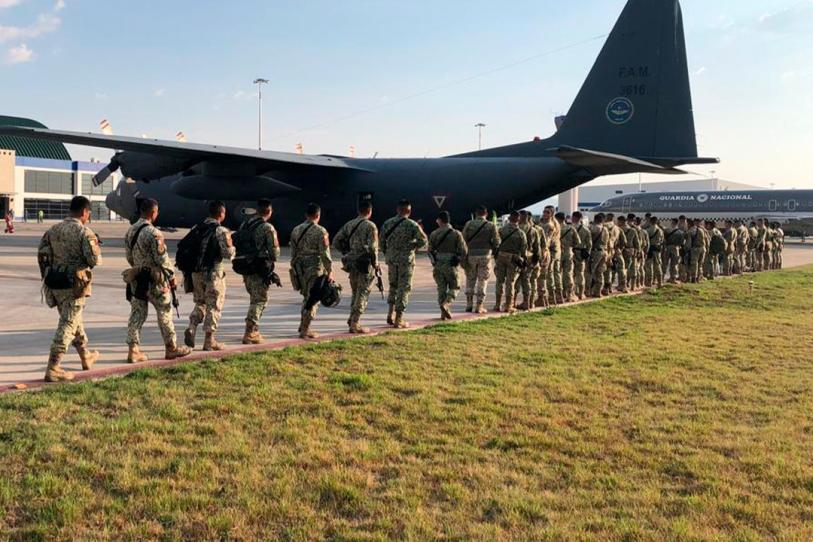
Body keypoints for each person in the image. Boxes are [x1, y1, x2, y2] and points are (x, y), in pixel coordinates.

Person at [37, 196, 102, 382]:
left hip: (56, 283)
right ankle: (54, 367)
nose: (88, 217)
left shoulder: (52, 230)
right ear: (84, 212)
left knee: (74, 320)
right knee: (68, 324)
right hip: (75, 285)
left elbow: (42, 255)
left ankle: (85, 355)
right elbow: (94, 260)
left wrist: (49, 275)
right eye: (88, 214)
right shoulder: (84, 232)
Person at [124, 199, 192, 363]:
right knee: (164, 312)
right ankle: (171, 348)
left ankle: (133, 350)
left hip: (137, 278)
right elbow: (162, 259)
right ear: (152, 212)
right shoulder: (154, 233)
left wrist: (139, 267)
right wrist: (171, 276)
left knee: (137, 314)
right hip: (156, 280)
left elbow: (129, 256)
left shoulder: (130, 231)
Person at [184, 200, 235, 351]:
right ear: (221, 214)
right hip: (214, 274)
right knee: (214, 306)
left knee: (200, 303)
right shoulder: (221, 231)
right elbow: (228, 254)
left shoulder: (196, 228)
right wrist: (233, 247)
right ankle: (209, 340)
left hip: (196, 273)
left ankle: (192, 327)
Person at [237, 199, 281, 344]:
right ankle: (250, 332)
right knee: (260, 300)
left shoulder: (245, 224)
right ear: (269, 211)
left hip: (245, 267)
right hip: (259, 268)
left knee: (254, 298)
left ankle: (253, 330)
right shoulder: (267, 227)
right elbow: (275, 253)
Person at [333, 200, 379, 333]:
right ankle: (355, 323)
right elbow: (372, 247)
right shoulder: (371, 226)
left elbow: (336, 241)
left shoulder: (349, 224)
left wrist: (347, 252)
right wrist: (375, 264)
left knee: (355, 291)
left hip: (351, 263)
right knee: (363, 292)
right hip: (365, 264)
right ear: (370, 212)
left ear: (358, 211)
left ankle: (351, 318)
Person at [381, 199, 428, 328]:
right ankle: (399, 318)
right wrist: (413, 246)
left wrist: (388, 253)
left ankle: (390, 313)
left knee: (393, 286)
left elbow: (381, 242)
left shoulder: (387, 223)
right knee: (404, 288)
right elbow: (423, 240)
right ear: (409, 210)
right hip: (406, 260)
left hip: (392, 260)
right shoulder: (412, 225)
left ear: (397, 209)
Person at [290, 203, 333, 338]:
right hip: (314, 269)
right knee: (313, 298)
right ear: (318, 215)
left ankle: (303, 324)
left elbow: (293, 252)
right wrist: (330, 270)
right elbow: (325, 253)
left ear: (306, 215)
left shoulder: (296, 230)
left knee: (306, 297)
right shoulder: (321, 231)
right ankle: (305, 329)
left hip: (299, 269)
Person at [428, 211, 468, 320]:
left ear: (440, 220)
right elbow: (464, 250)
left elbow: (430, 251)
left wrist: (434, 262)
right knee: (455, 286)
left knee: (441, 288)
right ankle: (447, 303)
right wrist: (458, 259)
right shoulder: (456, 234)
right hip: (451, 263)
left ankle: (443, 313)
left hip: (438, 263)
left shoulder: (434, 234)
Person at [461, 205, 500, 314]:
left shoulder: (469, 224)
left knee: (470, 278)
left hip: (471, 255)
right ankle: (479, 305)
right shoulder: (491, 226)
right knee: (483, 280)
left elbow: (463, 240)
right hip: (485, 255)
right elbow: (497, 242)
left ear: (476, 214)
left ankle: (469, 304)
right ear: (486, 214)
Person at [493, 211, 527, 313]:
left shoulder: (501, 230)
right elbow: (524, 250)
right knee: (510, 282)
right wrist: (523, 261)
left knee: (499, 281)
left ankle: (497, 304)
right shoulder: (521, 233)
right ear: (518, 219)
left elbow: (496, 243)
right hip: (513, 259)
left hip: (501, 256)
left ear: (509, 218)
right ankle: (508, 305)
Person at [516, 210, 541, 310]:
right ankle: (529, 302)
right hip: (530, 257)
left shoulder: (516, 229)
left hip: (518, 258)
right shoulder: (534, 230)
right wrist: (536, 259)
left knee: (516, 280)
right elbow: (537, 247)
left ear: (520, 218)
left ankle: (512, 302)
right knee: (528, 280)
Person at [540, 206, 562, 303]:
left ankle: (552, 297)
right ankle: (558, 296)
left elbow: (547, 240)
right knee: (555, 273)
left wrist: (544, 250)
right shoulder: (555, 223)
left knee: (549, 274)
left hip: (550, 250)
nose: (545, 214)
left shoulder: (550, 225)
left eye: (547, 212)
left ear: (552, 213)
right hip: (555, 250)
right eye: (544, 212)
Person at [557, 212, 578, 302]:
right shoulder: (571, 228)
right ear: (564, 218)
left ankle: (559, 295)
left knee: (557, 274)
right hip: (568, 252)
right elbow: (577, 242)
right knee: (568, 274)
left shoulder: (555, 229)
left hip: (558, 253)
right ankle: (570, 294)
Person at [571, 211, 592, 300]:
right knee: (580, 273)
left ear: (573, 217)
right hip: (581, 253)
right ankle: (581, 293)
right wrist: (587, 254)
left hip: (571, 252)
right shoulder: (586, 229)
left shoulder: (569, 228)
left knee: (570, 273)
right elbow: (589, 244)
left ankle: (572, 292)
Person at [589, 213, 609, 297]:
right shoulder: (606, 229)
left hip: (595, 251)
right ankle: (598, 292)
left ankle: (589, 291)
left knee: (591, 271)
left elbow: (589, 239)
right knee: (600, 272)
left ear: (595, 219)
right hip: (604, 251)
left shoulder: (594, 228)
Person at [617, 216, 639, 292]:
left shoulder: (618, 229)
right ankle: (632, 286)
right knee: (630, 268)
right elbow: (637, 243)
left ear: (621, 221)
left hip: (620, 250)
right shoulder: (633, 230)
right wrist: (637, 252)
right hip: (630, 250)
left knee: (621, 269)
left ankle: (622, 285)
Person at [645, 216, 665, 288]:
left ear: (650, 221)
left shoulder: (648, 230)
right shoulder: (660, 230)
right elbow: (662, 240)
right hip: (657, 249)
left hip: (650, 249)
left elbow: (646, 241)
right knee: (658, 266)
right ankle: (659, 282)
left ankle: (649, 282)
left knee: (649, 266)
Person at [663, 218, 684, 283]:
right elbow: (682, 242)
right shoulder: (680, 232)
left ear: (672, 222)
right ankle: (673, 278)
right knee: (674, 264)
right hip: (676, 248)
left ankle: (661, 276)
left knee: (665, 263)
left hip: (667, 247)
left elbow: (664, 240)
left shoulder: (667, 230)